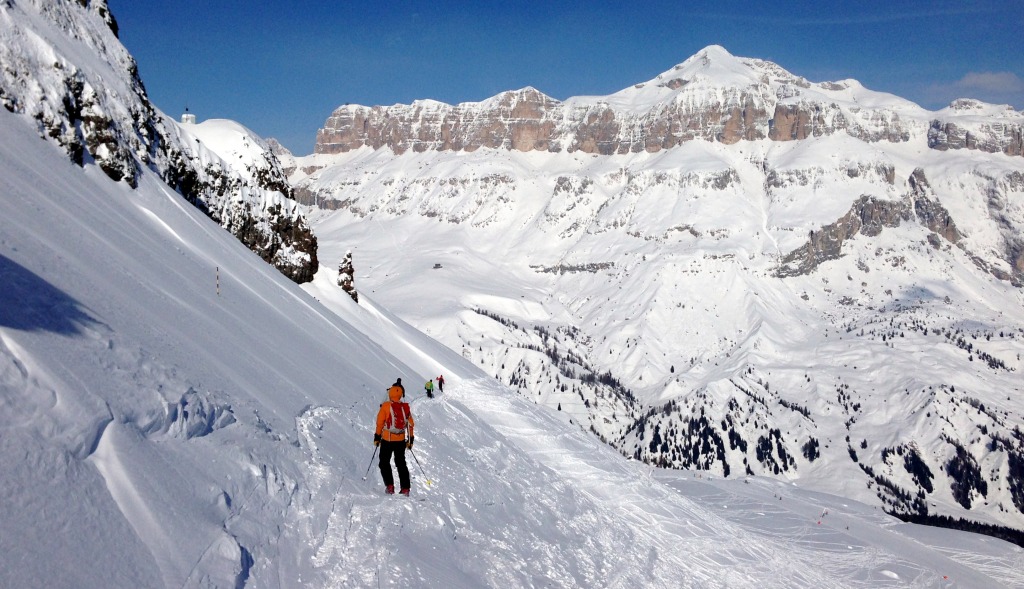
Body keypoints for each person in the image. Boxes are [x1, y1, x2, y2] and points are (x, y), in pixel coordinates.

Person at [374, 382, 414, 495]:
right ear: (401, 394)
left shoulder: (386, 406)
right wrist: (411, 440)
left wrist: (377, 437)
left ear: (390, 393)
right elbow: (410, 424)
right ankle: (405, 488)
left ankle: (390, 486)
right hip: (401, 441)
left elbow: (380, 423)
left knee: (384, 462)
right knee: (401, 463)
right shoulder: (405, 407)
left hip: (387, 440)